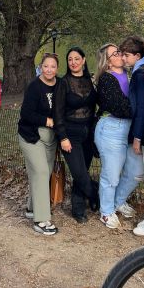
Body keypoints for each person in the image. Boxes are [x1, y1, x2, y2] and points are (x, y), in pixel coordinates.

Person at [94, 43, 137, 229]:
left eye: (120, 51)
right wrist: (142, 110)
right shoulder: (106, 79)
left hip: (129, 129)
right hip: (111, 129)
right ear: (108, 61)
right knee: (111, 176)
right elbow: (120, 108)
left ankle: (118, 202)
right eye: (116, 53)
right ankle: (106, 211)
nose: (121, 55)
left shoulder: (130, 75)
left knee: (136, 172)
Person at [18, 52, 61, 236]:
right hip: (31, 135)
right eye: (46, 66)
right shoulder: (34, 87)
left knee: (44, 173)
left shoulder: (60, 85)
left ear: (57, 68)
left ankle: (32, 208)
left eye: (52, 66)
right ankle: (41, 219)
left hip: (51, 137)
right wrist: (47, 120)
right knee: (42, 171)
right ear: (40, 67)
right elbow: (26, 114)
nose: (49, 70)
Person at [54, 47, 98, 223]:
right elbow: (58, 113)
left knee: (83, 172)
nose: (73, 62)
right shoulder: (63, 83)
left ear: (84, 60)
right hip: (70, 135)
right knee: (80, 173)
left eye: (77, 59)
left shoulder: (90, 80)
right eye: (70, 59)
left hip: (89, 133)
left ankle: (78, 208)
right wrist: (62, 137)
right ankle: (97, 196)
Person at [120, 36, 144, 237]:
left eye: (126, 55)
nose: (123, 59)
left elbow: (142, 107)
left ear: (137, 56)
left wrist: (137, 136)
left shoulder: (139, 74)